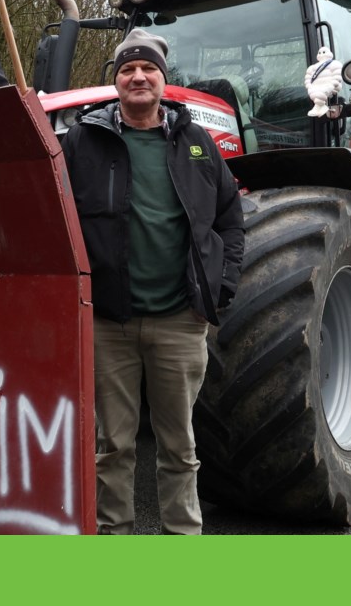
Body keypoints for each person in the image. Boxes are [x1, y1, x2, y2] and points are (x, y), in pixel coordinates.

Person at [62, 29, 245, 535]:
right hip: (108, 325)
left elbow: (230, 218)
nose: (138, 76)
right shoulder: (84, 141)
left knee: (179, 446)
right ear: (115, 81)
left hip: (179, 322)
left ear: (164, 80)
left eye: (147, 69)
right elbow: (58, 214)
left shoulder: (197, 143)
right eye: (126, 69)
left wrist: (220, 283)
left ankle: (181, 542)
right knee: (113, 446)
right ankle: (115, 541)